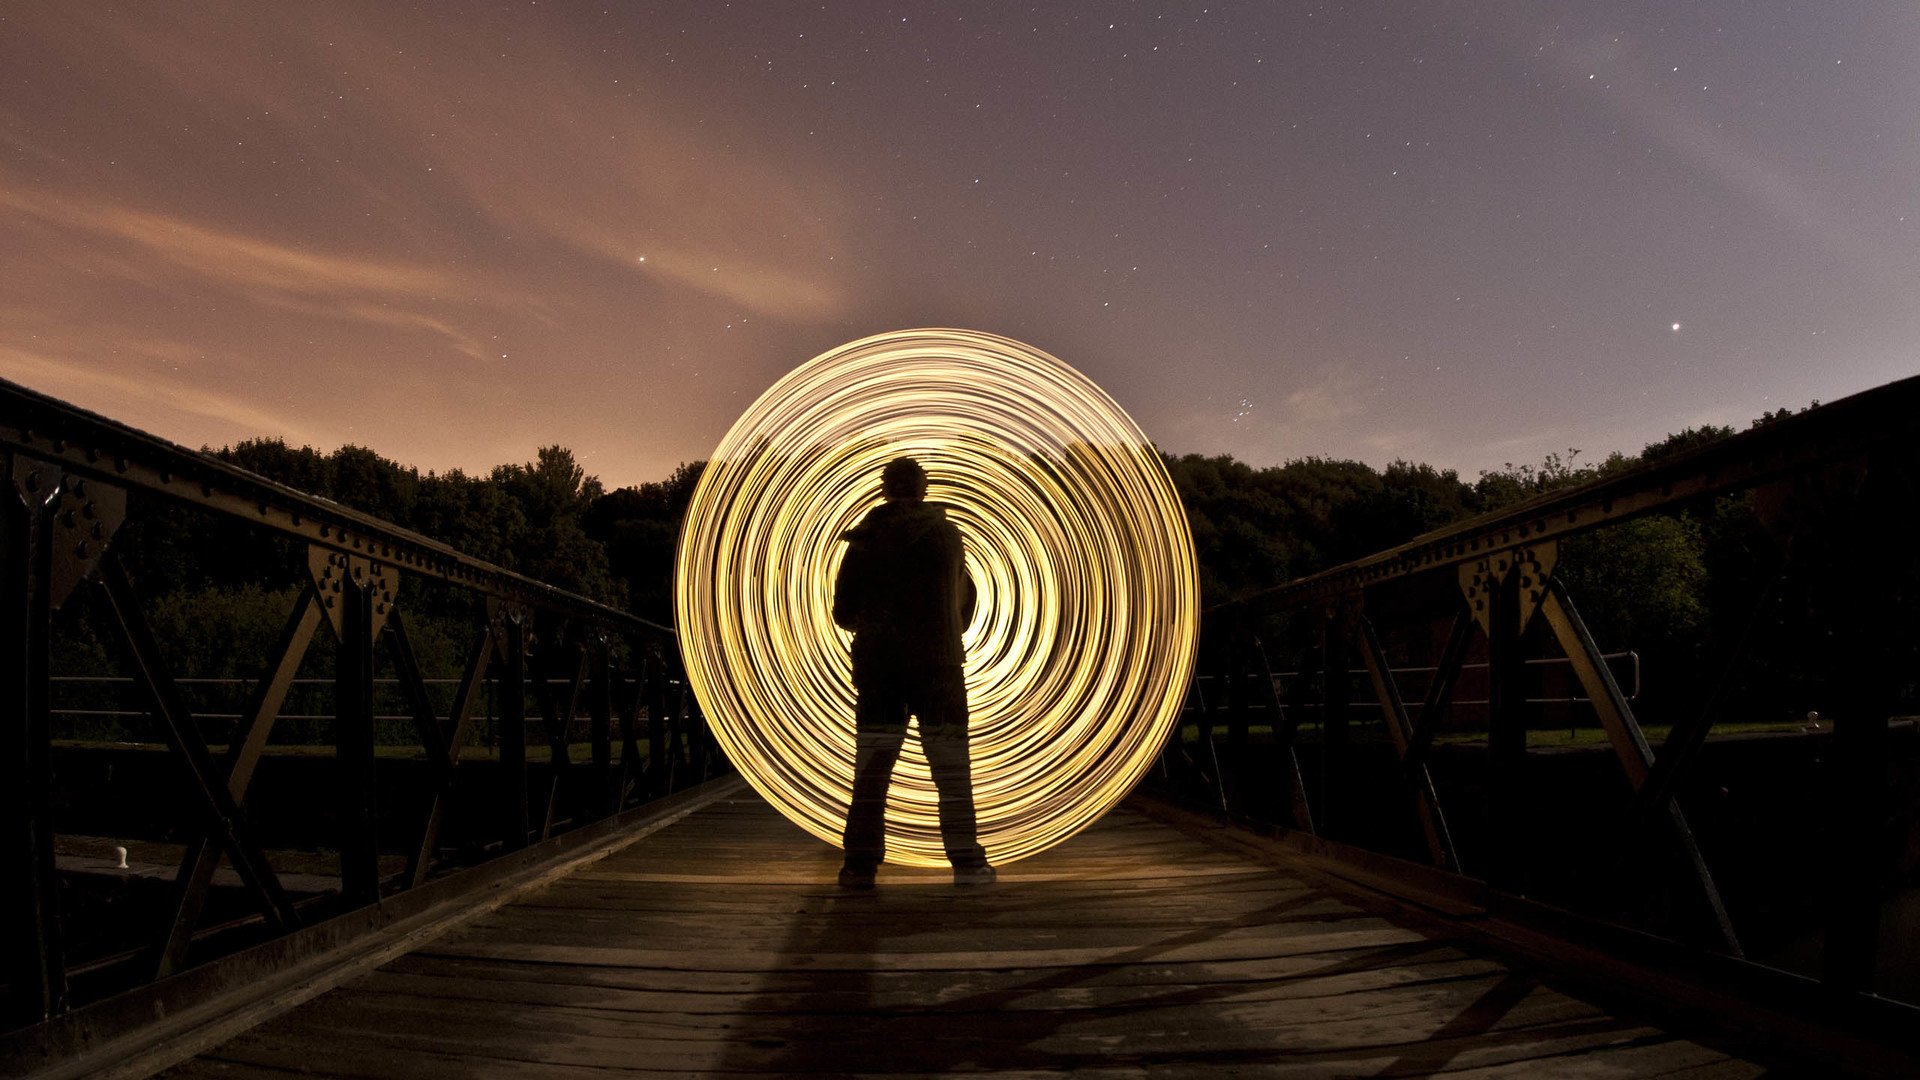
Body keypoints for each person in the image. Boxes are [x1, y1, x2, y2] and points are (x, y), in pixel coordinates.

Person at [832, 456, 993, 887]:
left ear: (885, 490)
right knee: (951, 767)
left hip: (880, 668)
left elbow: (843, 611)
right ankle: (968, 863)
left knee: (873, 767)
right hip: (939, 665)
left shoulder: (864, 539)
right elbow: (965, 602)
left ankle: (859, 865)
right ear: (923, 489)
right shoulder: (946, 535)